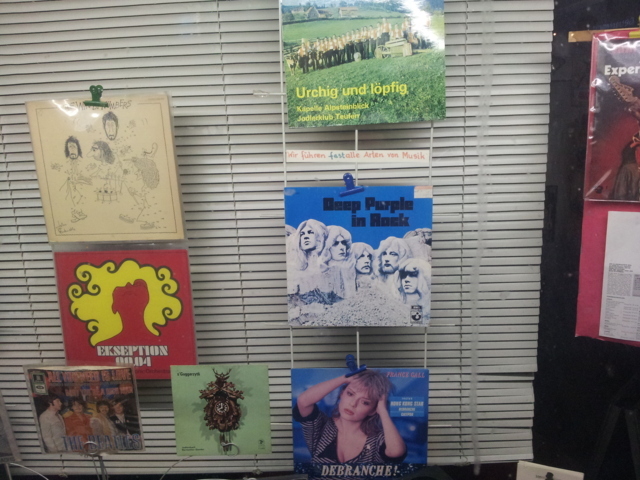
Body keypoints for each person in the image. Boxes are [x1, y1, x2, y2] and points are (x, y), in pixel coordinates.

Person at [293, 369, 407, 473]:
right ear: (342, 393)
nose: (353, 404)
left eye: (365, 402)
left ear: (373, 410)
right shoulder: (321, 425)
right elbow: (303, 401)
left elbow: (396, 452)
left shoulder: (376, 440)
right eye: (350, 394)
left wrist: (382, 410)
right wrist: (344, 378)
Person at [319, 226, 356, 300]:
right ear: (326, 247)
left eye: (343, 243)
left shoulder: (351, 270)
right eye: (335, 243)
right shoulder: (319, 272)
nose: (342, 247)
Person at [394, 258, 431, 322]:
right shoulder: (396, 305)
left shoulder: (428, 308)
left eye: (413, 275)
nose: (406, 280)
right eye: (403, 275)